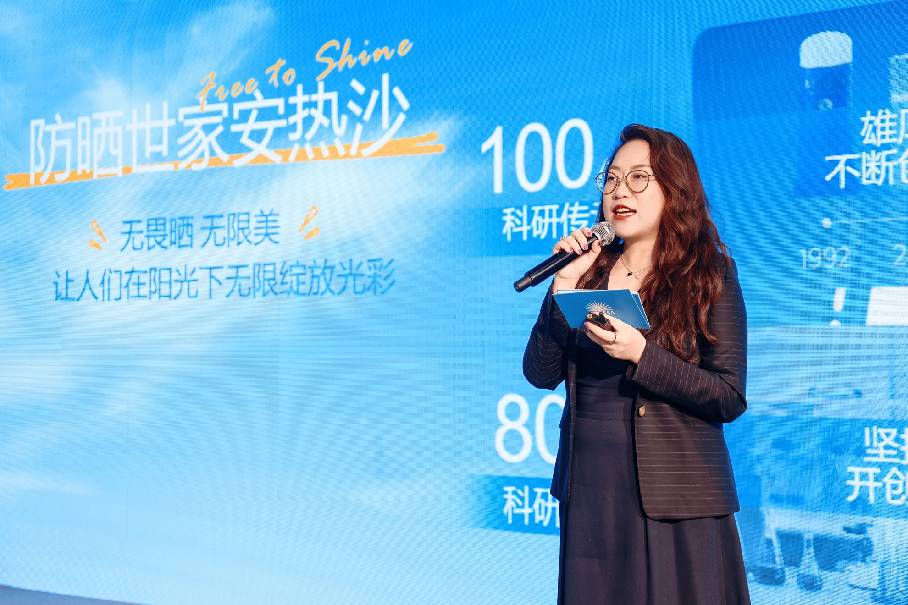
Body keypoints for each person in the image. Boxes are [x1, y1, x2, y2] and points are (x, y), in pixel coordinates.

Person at [523, 124, 751, 605]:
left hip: (677, 495)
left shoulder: (709, 274)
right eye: (611, 179)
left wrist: (641, 354)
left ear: (675, 189)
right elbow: (540, 374)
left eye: (638, 178)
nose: (619, 191)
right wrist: (563, 285)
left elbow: (728, 395)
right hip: (592, 489)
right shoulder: (590, 272)